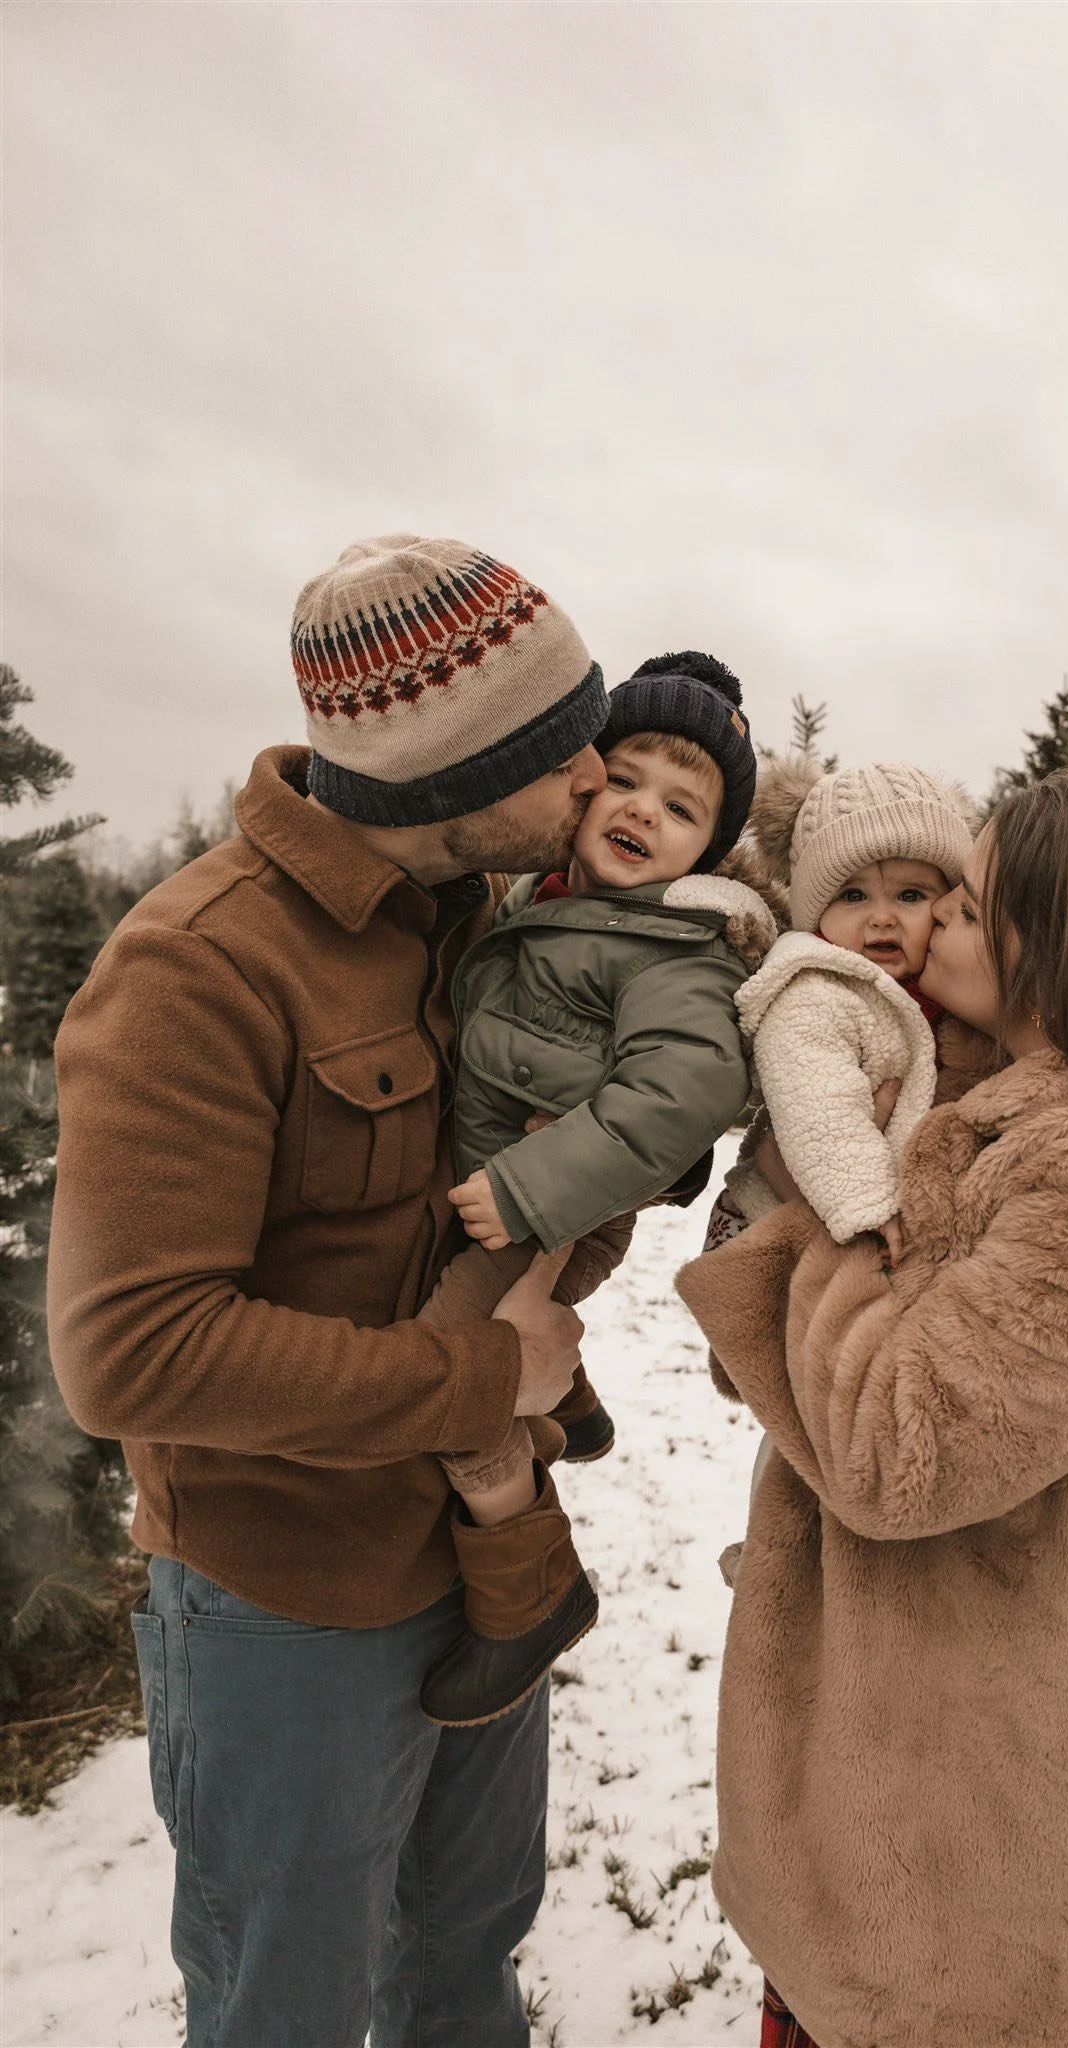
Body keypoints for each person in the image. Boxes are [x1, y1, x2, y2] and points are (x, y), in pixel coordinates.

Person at [47, 534, 625, 2048]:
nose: (598, 778)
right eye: (564, 746)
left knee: (464, 1960)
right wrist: (480, 1383)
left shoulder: (487, 927)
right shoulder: (197, 969)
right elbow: (129, 1355)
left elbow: (501, 1221)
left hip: (478, 1564)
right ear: (449, 771)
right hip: (287, 1611)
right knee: (285, 2004)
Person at [676, 760, 1068, 2048]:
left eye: (969, 903)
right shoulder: (1001, 1114)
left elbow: (892, 1444)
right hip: (913, 1747)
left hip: (1001, 1804)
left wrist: (797, 1229)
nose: (928, 925)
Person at [417, 650, 775, 1727]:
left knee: (447, 1378)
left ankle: (530, 1586)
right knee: (478, 1344)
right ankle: (569, 1402)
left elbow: (688, 1089)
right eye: (626, 778)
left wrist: (532, 1189)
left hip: (548, 1210)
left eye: (682, 806)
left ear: (707, 848)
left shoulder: (677, 947)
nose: (642, 812)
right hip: (504, 1186)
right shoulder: (542, 896)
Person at [707, 757, 975, 1269]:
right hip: (774, 1226)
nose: (881, 916)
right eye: (853, 895)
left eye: (910, 895)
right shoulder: (816, 990)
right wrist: (866, 1201)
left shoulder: (943, 994)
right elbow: (819, 1104)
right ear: (817, 915)